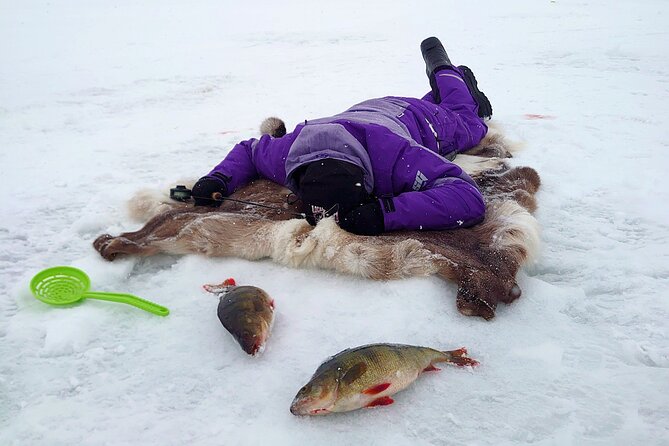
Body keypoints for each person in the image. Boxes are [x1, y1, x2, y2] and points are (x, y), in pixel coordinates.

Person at [191, 37, 492, 236]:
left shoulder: (397, 158)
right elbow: (249, 151)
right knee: (456, 112)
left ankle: (446, 71)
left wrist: (383, 213)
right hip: (366, 111)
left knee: (470, 121)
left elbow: (467, 197)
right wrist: (218, 179)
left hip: (414, 118)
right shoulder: (288, 156)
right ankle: (442, 89)